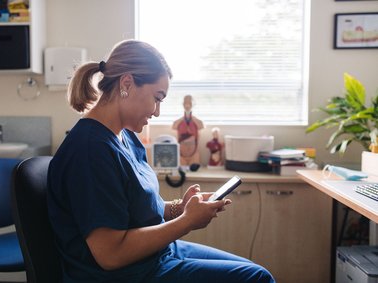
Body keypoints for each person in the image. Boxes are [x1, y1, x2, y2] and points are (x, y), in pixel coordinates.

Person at [47, 39, 275, 283]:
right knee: (256, 278)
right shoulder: (90, 151)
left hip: (155, 256)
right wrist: (187, 221)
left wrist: (181, 207)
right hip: (126, 274)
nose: (157, 111)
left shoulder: (125, 137)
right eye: (157, 98)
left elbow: (139, 209)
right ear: (127, 83)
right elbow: (110, 255)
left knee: (253, 270)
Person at [172, 95, 204, 167]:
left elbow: (201, 125)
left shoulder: (196, 121)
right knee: (181, 170)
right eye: (185, 103)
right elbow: (174, 126)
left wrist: (192, 118)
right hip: (181, 153)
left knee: (194, 170)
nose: (187, 105)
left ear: (193, 104)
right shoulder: (179, 122)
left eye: (189, 103)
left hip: (194, 151)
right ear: (183, 104)